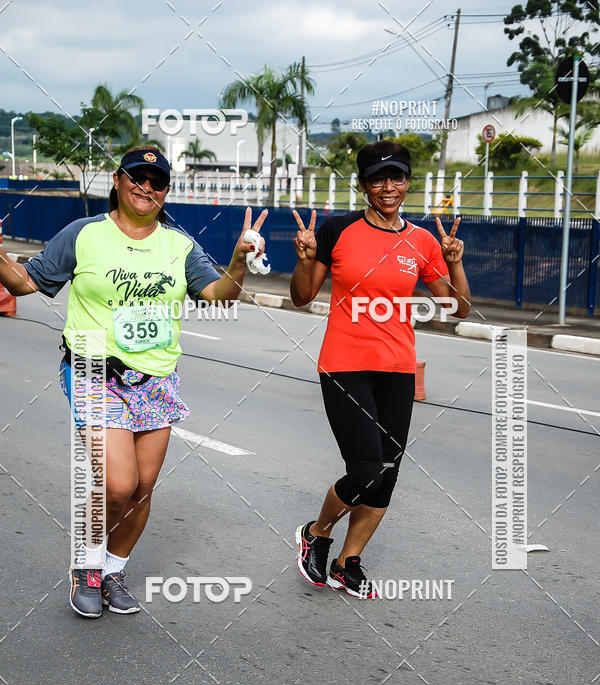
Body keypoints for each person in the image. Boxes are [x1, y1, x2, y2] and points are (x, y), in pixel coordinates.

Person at [0, 145, 267, 618]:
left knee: (144, 487)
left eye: (157, 181)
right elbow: (25, 283)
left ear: (166, 192)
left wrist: (239, 257)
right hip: (93, 371)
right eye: (137, 177)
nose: (147, 187)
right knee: (119, 484)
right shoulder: (83, 235)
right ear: (119, 181)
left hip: (157, 378)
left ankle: (112, 570)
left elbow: (221, 296)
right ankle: (85, 566)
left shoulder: (179, 246)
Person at [290, 141, 470, 598]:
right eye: (378, 178)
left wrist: (454, 262)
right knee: (366, 469)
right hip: (344, 365)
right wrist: (306, 257)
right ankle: (317, 532)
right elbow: (302, 296)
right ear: (364, 184)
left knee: (387, 472)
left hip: (397, 369)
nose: (388, 187)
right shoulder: (338, 230)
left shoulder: (423, 241)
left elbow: (458, 308)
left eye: (397, 177)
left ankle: (348, 563)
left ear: (408, 181)